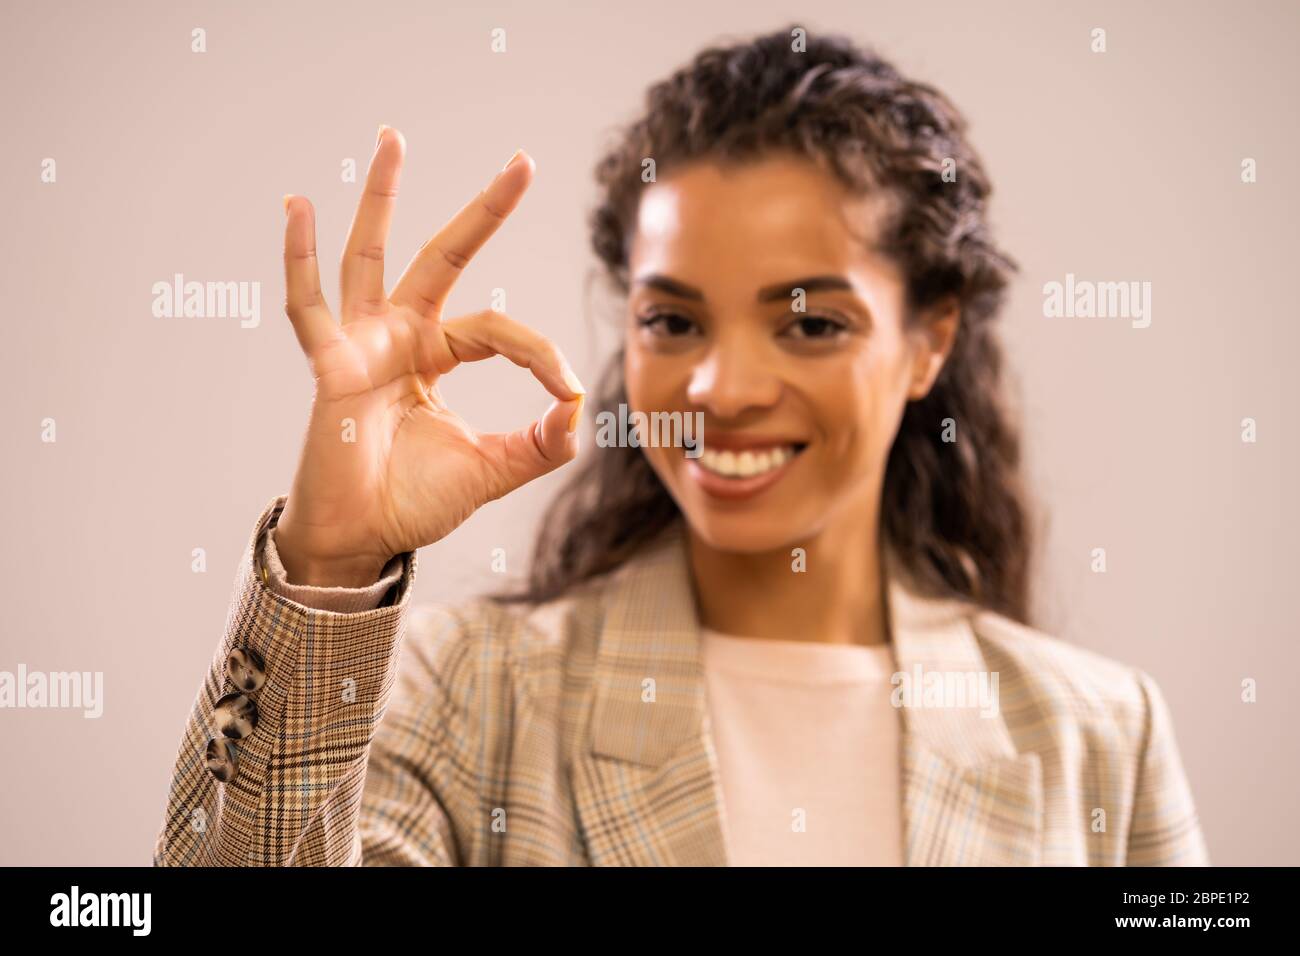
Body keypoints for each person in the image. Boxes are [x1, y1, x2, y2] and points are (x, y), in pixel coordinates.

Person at [153, 27, 1208, 866]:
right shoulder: (471, 689)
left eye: (809, 321)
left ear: (929, 337)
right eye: (674, 320)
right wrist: (330, 559)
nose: (720, 388)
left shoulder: (1097, 732)